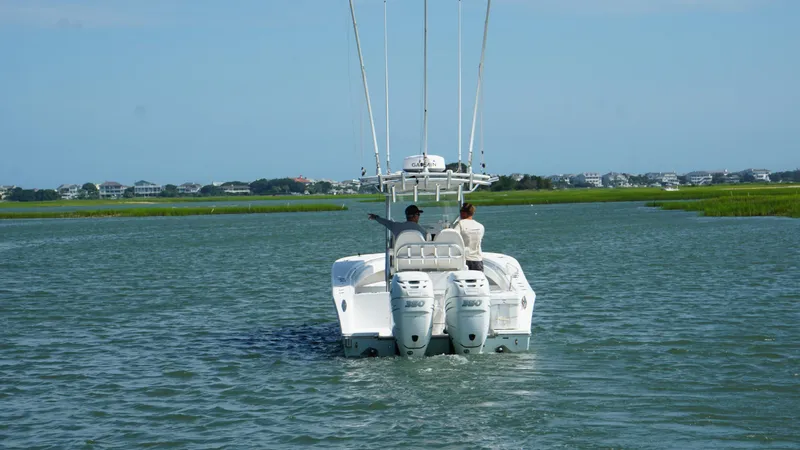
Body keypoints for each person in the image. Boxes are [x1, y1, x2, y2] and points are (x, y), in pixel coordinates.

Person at [453, 203, 484, 271]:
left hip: (464, 260)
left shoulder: (460, 225)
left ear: (464, 213)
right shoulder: (480, 226)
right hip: (478, 260)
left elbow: (453, 238)